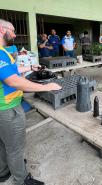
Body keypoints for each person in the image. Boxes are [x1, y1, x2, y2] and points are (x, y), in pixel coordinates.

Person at [0, 19, 61, 185]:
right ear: (1, 30)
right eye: (11, 30)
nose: (14, 34)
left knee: (3, 143)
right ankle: (21, 179)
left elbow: (9, 71)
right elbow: (13, 81)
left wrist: (29, 68)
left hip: (3, 108)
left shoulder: (3, 52)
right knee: (15, 148)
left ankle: (3, 172)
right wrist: (46, 86)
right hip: (7, 108)